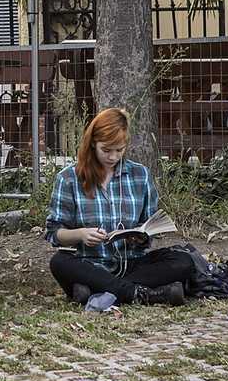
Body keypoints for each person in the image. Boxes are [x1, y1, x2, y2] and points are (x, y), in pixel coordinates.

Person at [45, 107, 196, 306]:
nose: (113, 157)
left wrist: (141, 236)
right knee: (59, 262)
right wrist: (81, 234)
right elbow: (54, 232)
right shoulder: (68, 178)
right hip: (90, 264)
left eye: (119, 150)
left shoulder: (140, 174)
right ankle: (143, 293)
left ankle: (96, 290)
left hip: (133, 262)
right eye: (106, 150)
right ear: (93, 143)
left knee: (183, 261)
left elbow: (150, 224)